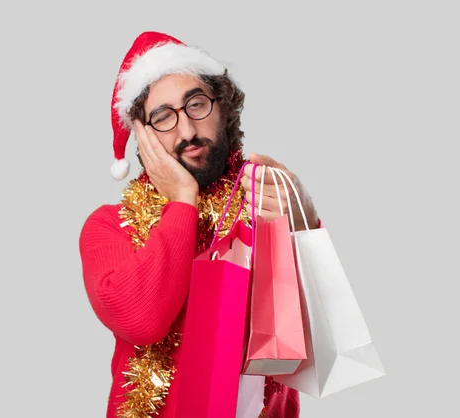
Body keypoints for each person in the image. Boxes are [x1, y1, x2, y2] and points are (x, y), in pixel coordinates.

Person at [78, 31, 322, 418]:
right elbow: (142, 322)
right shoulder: (109, 227)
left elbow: (318, 340)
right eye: (163, 118)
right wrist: (182, 199)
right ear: (142, 138)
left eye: (196, 105)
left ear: (224, 110)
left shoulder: (264, 200)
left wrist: (305, 222)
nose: (187, 131)